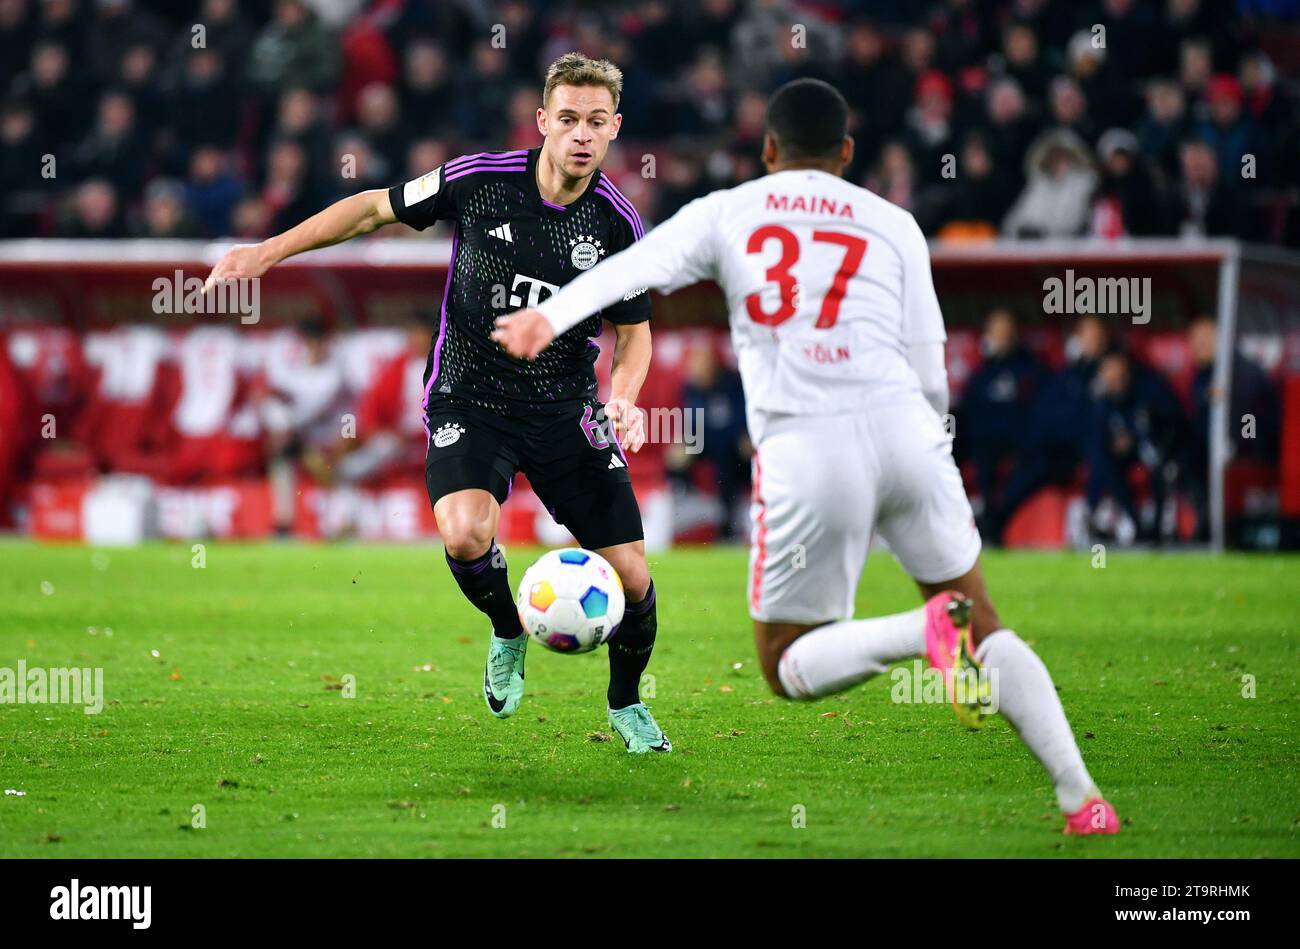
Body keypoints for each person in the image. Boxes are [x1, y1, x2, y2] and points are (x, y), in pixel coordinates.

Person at [494, 78, 1119, 834]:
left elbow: (638, 267)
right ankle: (1081, 797)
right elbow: (930, 370)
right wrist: (929, 453)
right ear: (847, 154)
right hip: (910, 433)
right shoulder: (895, 223)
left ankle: (919, 631)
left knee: (786, 661)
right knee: (984, 622)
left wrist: (550, 316)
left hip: (809, 444)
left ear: (766, 151)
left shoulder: (730, 210)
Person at [203, 53, 670, 754]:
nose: (580, 133)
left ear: (614, 131)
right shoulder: (479, 181)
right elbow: (370, 209)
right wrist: (267, 252)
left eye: (595, 122)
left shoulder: (616, 225)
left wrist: (626, 398)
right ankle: (510, 629)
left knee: (632, 576)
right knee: (463, 533)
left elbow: (635, 337)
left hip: (564, 407)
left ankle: (627, 702)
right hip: (469, 393)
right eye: (568, 118)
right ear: (542, 122)